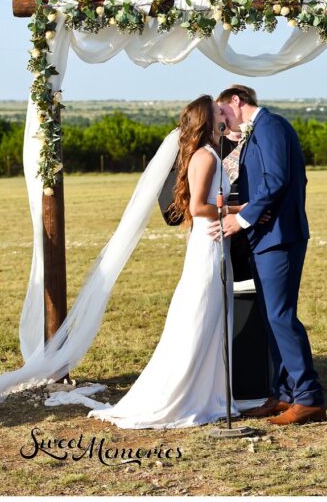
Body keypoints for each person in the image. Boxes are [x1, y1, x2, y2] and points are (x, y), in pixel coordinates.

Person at [89, 96, 245, 428]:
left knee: (214, 318)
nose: (224, 113)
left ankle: (210, 391)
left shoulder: (212, 153)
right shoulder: (205, 157)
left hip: (216, 241)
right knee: (202, 314)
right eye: (218, 111)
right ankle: (187, 394)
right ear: (207, 121)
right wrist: (241, 210)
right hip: (209, 243)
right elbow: (198, 207)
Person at [214, 85, 326, 425]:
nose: (222, 118)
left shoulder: (272, 126)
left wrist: (243, 218)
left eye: (223, 110)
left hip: (280, 236)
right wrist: (248, 210)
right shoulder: (256, 132)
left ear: (237, 100)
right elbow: (264, 185)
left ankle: (308, 396)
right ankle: (282, 393)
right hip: (265, 236)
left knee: (281, 316)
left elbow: (278, 179)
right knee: (270, 316)